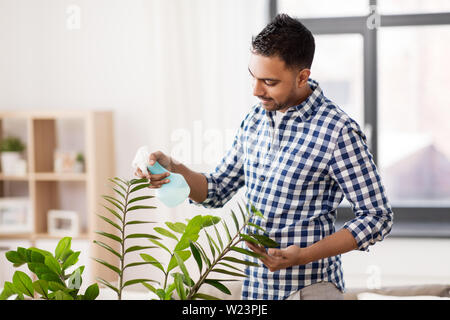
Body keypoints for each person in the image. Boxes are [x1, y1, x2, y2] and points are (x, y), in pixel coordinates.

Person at [135, 13, 393, 300]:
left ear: (302, 76)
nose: (256, 90)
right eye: (253, 77)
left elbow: (377, 217)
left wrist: (303, 255)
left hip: (310, 290)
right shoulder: (255, 120)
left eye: (269, 81)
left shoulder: (337, 131)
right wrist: (174, 168)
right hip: (257, 290)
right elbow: (216, 189)